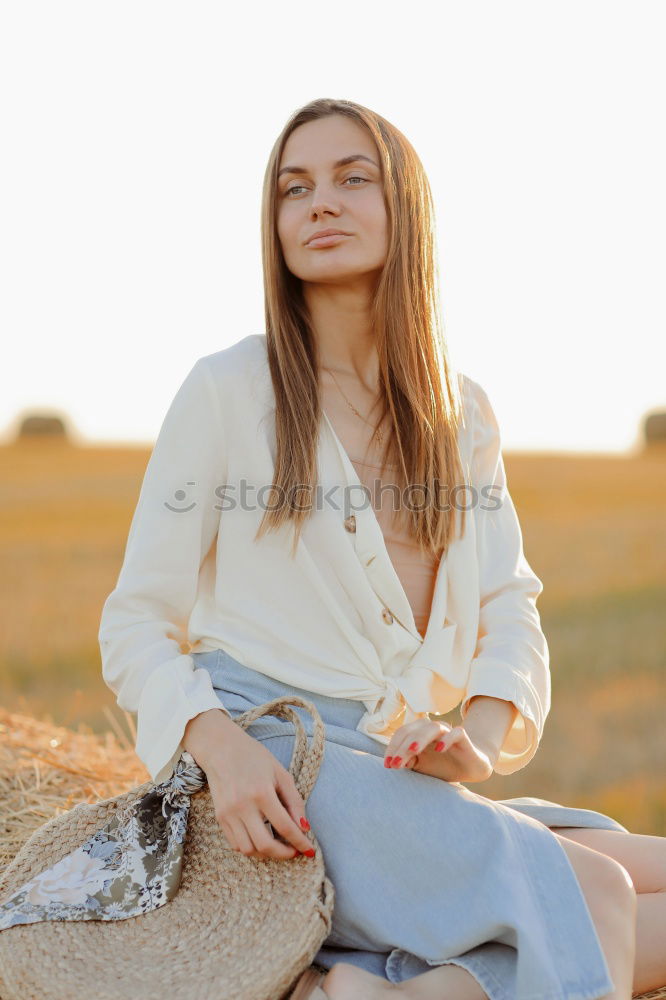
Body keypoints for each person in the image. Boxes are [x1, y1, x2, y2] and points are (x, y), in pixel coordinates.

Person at [98, 99, 666, 1000]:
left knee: (658, 883)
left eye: (351, 178)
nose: (320, 203)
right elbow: (135, 623)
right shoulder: (226, 390)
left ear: (407, 208)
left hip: (396, 771)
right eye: (295, 188)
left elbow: (508, 606)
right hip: (280, 761)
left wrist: (474, 742)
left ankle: (379, 988)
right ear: (274, 224)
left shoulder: (460, 411)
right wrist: (221, 749)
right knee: (595, 891)